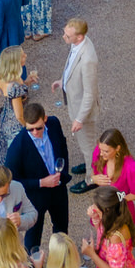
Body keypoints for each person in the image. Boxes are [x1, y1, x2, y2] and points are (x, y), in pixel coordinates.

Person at [5, 101, 70, 254]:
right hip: (35, 198)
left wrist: (63, 172)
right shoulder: (18, 146)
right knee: (33, 236)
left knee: (61, 229)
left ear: (45, 118)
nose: (35, 132)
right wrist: (41, 183)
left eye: (38, 128)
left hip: (58, 188)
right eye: (30, 129)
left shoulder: (54, 123)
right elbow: (13, 181)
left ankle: (60, 260)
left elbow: (63, 147)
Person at [53, 18, 100, 190]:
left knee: (89, 147)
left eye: (67, 35)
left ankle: (91, 178)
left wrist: (79, 119)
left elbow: (90, 93)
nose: (63, 37)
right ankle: (89, 165)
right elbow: (71, 66)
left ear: (79, 37)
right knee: (86, 143)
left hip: (83, 112)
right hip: (75, 104)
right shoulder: (77, 45)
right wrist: (62, 81)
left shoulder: (88, 59)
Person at [88, 129, 135, 222]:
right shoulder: (99, 152)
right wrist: (93, 179)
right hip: (103, 206)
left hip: (120, 211)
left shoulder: (131, 168)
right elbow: (94, 173)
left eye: (106, 151)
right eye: (100, 149)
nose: (101, 154)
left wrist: (120, 199)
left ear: (117, 148)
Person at [0, 46, 30, 166]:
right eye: (22, 55)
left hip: (5, 117)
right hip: (14, 125)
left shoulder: (4, 77)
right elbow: (19, 115)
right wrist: (29, 127)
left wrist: (27, 82)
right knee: (17, 156)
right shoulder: (14, 87)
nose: (25, 55)